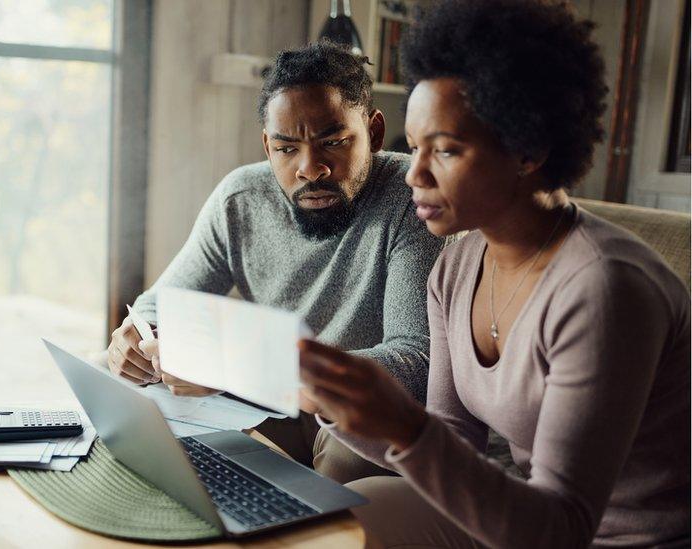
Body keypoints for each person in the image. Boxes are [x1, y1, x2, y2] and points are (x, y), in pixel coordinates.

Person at [298, 1, 691, 547]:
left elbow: (562, 527)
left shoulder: (606, 289)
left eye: (447, 150)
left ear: (527, 149)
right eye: (414, 148)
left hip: (609, 538)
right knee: (313, 530)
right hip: (514, 513)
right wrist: (338, 406)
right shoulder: (456, 267)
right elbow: (452, 441)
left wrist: (404, 426)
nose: (415, 173)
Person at [107, 41, 444, 482]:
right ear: (268, 147)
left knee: (354, 457)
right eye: (287, 149)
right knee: (155, 429)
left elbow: (416, 363)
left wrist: (243, 364)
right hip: (267, 400)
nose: (311, 168)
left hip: (358, 413)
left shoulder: (413, 198)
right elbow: (160, 303)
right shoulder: (241, 199)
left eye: (335, 142)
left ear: (374, 133)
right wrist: (134, 339)